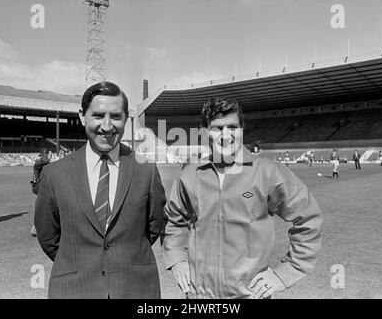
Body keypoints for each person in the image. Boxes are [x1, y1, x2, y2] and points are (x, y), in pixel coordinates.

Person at [161, 97, 323, 299]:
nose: (226, 135)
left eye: (233, 127)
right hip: (198, 296)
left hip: (250, 295)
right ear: (204, 132)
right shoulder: (190, 174)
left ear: (242, 129)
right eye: (218, 128)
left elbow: (308, 219)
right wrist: (177, 259)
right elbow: (174, 221)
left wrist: (285, 273)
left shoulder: (268, 172)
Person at [34, 81, 166, 299]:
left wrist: (122, 258)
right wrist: (82, 262)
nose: (107, 126)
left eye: (115, 116)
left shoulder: (146, 170)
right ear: (82, 116)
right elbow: (48, 236)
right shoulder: (54, 174)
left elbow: (153, 228)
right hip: (75, 290)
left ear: (126, 118)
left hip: (134, 288)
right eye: (98, 115)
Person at [30, 148, 52, 237]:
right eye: (50, 155)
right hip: (40, 188)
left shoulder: (40, 163)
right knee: (43, 208)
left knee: (42, 208)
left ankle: (35, 229)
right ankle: (36, 229)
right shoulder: (41, 162)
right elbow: (44, 160)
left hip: (40, 188)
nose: (51, 157)